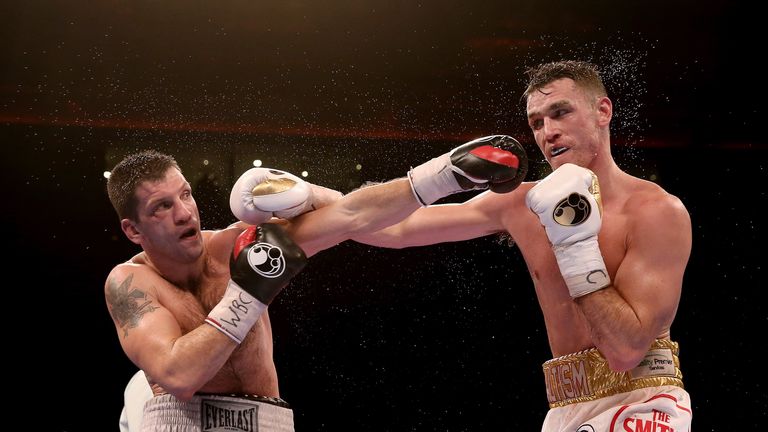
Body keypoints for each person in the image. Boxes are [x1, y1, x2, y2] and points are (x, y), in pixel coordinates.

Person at [354, 61, 693, 431]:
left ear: (602, 111)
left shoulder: (655, 211)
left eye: (560, 112)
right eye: (536, 123)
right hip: (564, 409)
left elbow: (625, 350)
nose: (549, 132)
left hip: (643, 405)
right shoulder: (520, 204)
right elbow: (396, 229)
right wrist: (310, 199)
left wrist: (574, 246)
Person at [105, 137, 527, 432]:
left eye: (185, 195)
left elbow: (350, 217)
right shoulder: (131, 283)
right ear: (132, 229)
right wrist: (249, 293)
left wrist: (444, 175)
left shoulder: (237, 245)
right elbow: (179, 374)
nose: (184, 213)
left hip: (266, 420)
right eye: (162, 206)